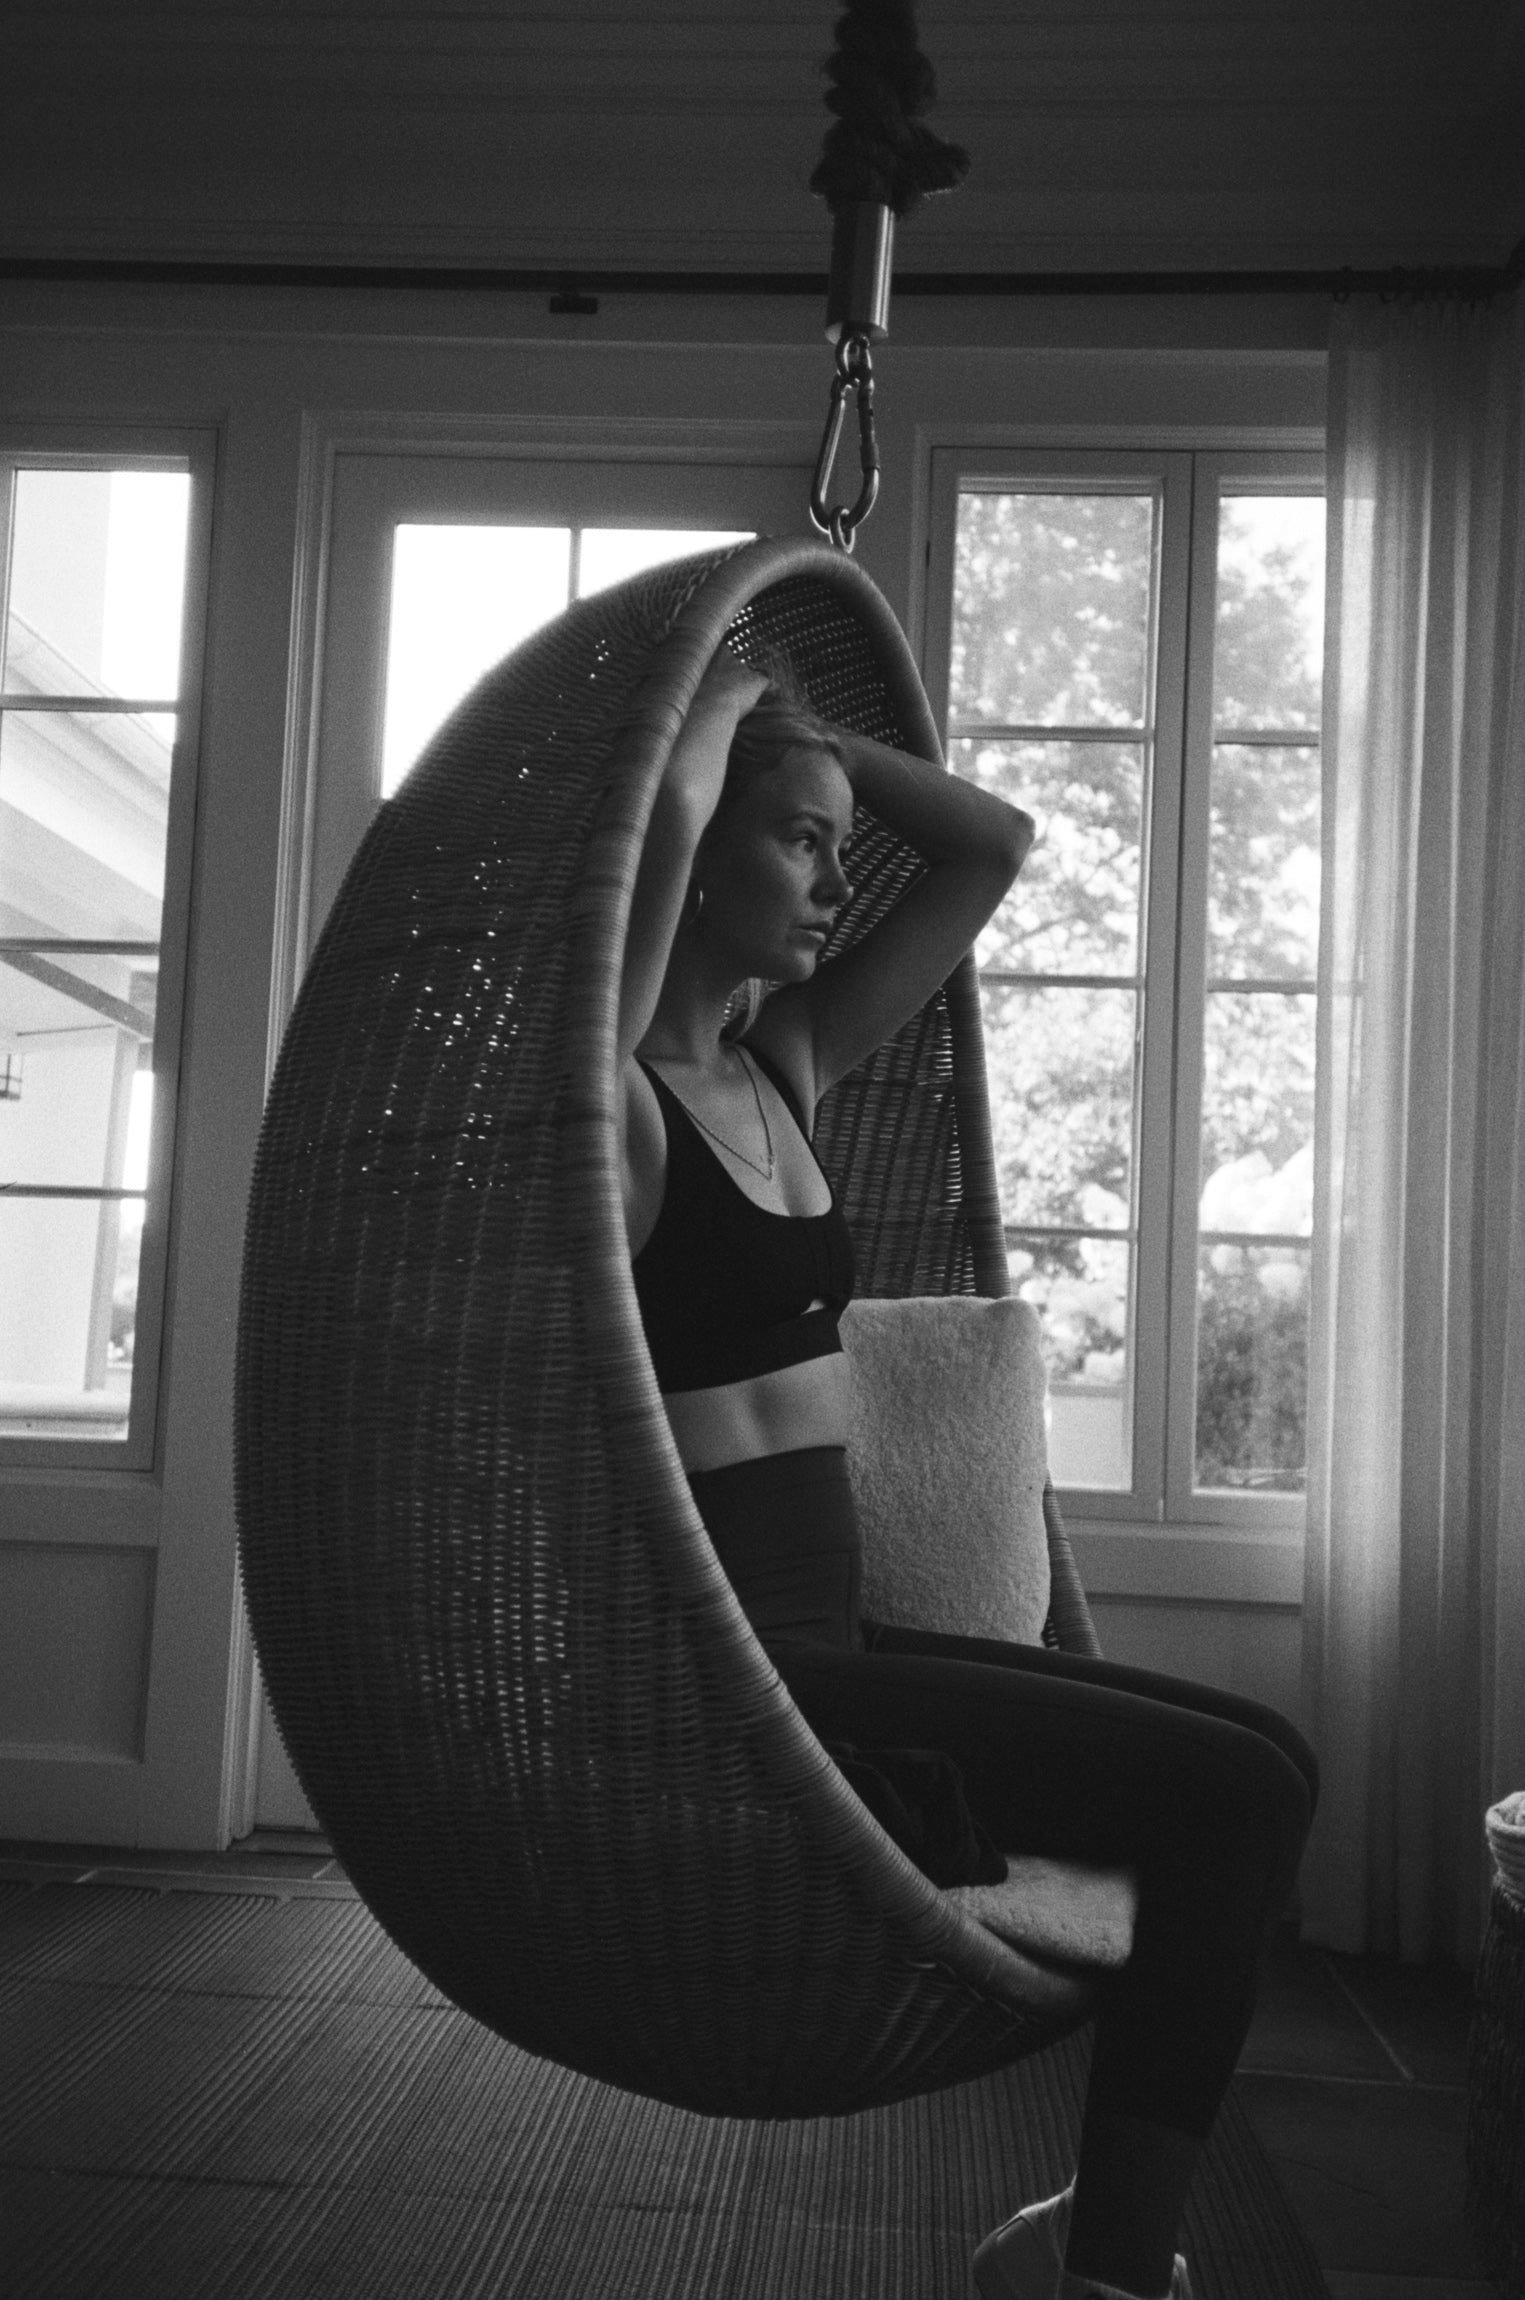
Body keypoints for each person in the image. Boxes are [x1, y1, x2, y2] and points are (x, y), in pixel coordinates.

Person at [618, 647, 1318, 2300]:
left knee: (1270, 1753)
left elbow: (988, 843)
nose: (833, 880)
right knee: (1238, 1799)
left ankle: (1092, 2244)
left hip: (837, 1648)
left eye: (833, 844)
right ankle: (1113, 2271)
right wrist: (715, 716)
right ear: (701, 849)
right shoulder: (619, 1111)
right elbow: (653, 826)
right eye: (795, 842)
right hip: (750, 1682)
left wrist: (809, 740)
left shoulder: (777, 1070)